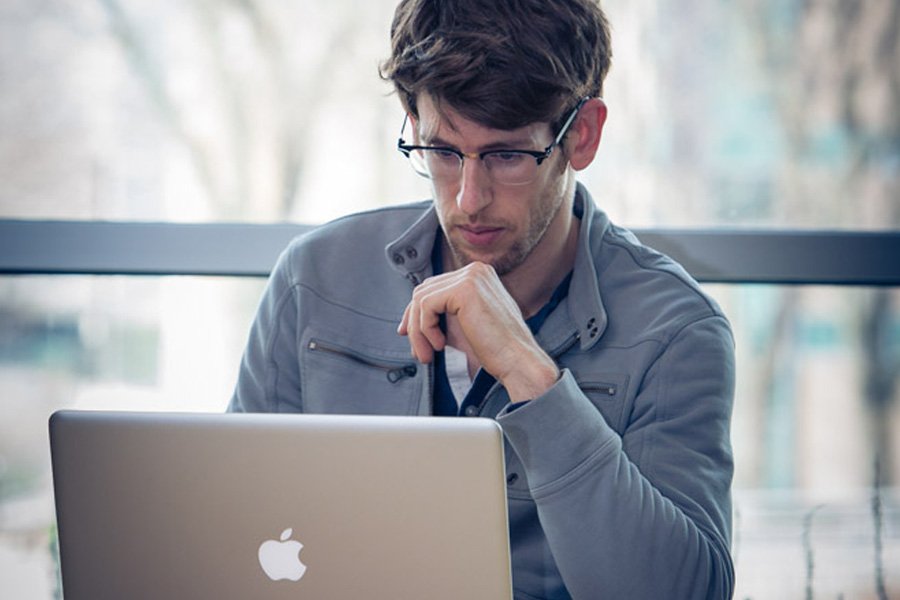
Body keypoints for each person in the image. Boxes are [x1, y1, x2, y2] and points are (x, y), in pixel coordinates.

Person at [229, 0, 736, 597]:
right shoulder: (313, 281)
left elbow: (683, 592)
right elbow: (235, 527)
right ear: (412, 121)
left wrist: (534, 379)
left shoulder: (676, 331)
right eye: (443, 152)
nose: (468, 199)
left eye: (507, 156)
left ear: (584, 134)